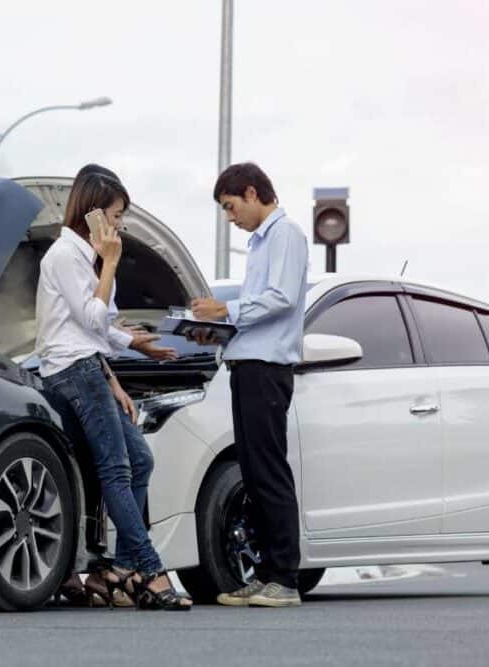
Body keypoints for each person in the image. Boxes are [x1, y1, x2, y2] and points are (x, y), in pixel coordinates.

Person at [36, 168, 191, 611]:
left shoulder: (85, 256)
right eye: (117, 214)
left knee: (140, 459)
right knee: (117, 470)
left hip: (89, 367)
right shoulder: (67, 256)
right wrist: (112, 261)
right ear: (94, 211)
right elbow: (90, 319)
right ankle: (150, 570)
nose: (120, 224)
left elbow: (100, 323)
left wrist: (131, 348)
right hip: (73, 372)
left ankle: (121, 567)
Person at [191, 162, 309, 608]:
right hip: (246, 365)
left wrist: (225, 312)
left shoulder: (286, 234)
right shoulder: (261, 242)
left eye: (231, 206)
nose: (230, 218)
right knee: (254, 475)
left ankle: (284, 577)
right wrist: (216, 328)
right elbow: (259, 309)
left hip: (266, 369)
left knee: (270, 472)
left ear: (253, 192)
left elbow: (281, 299)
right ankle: (265, 575)